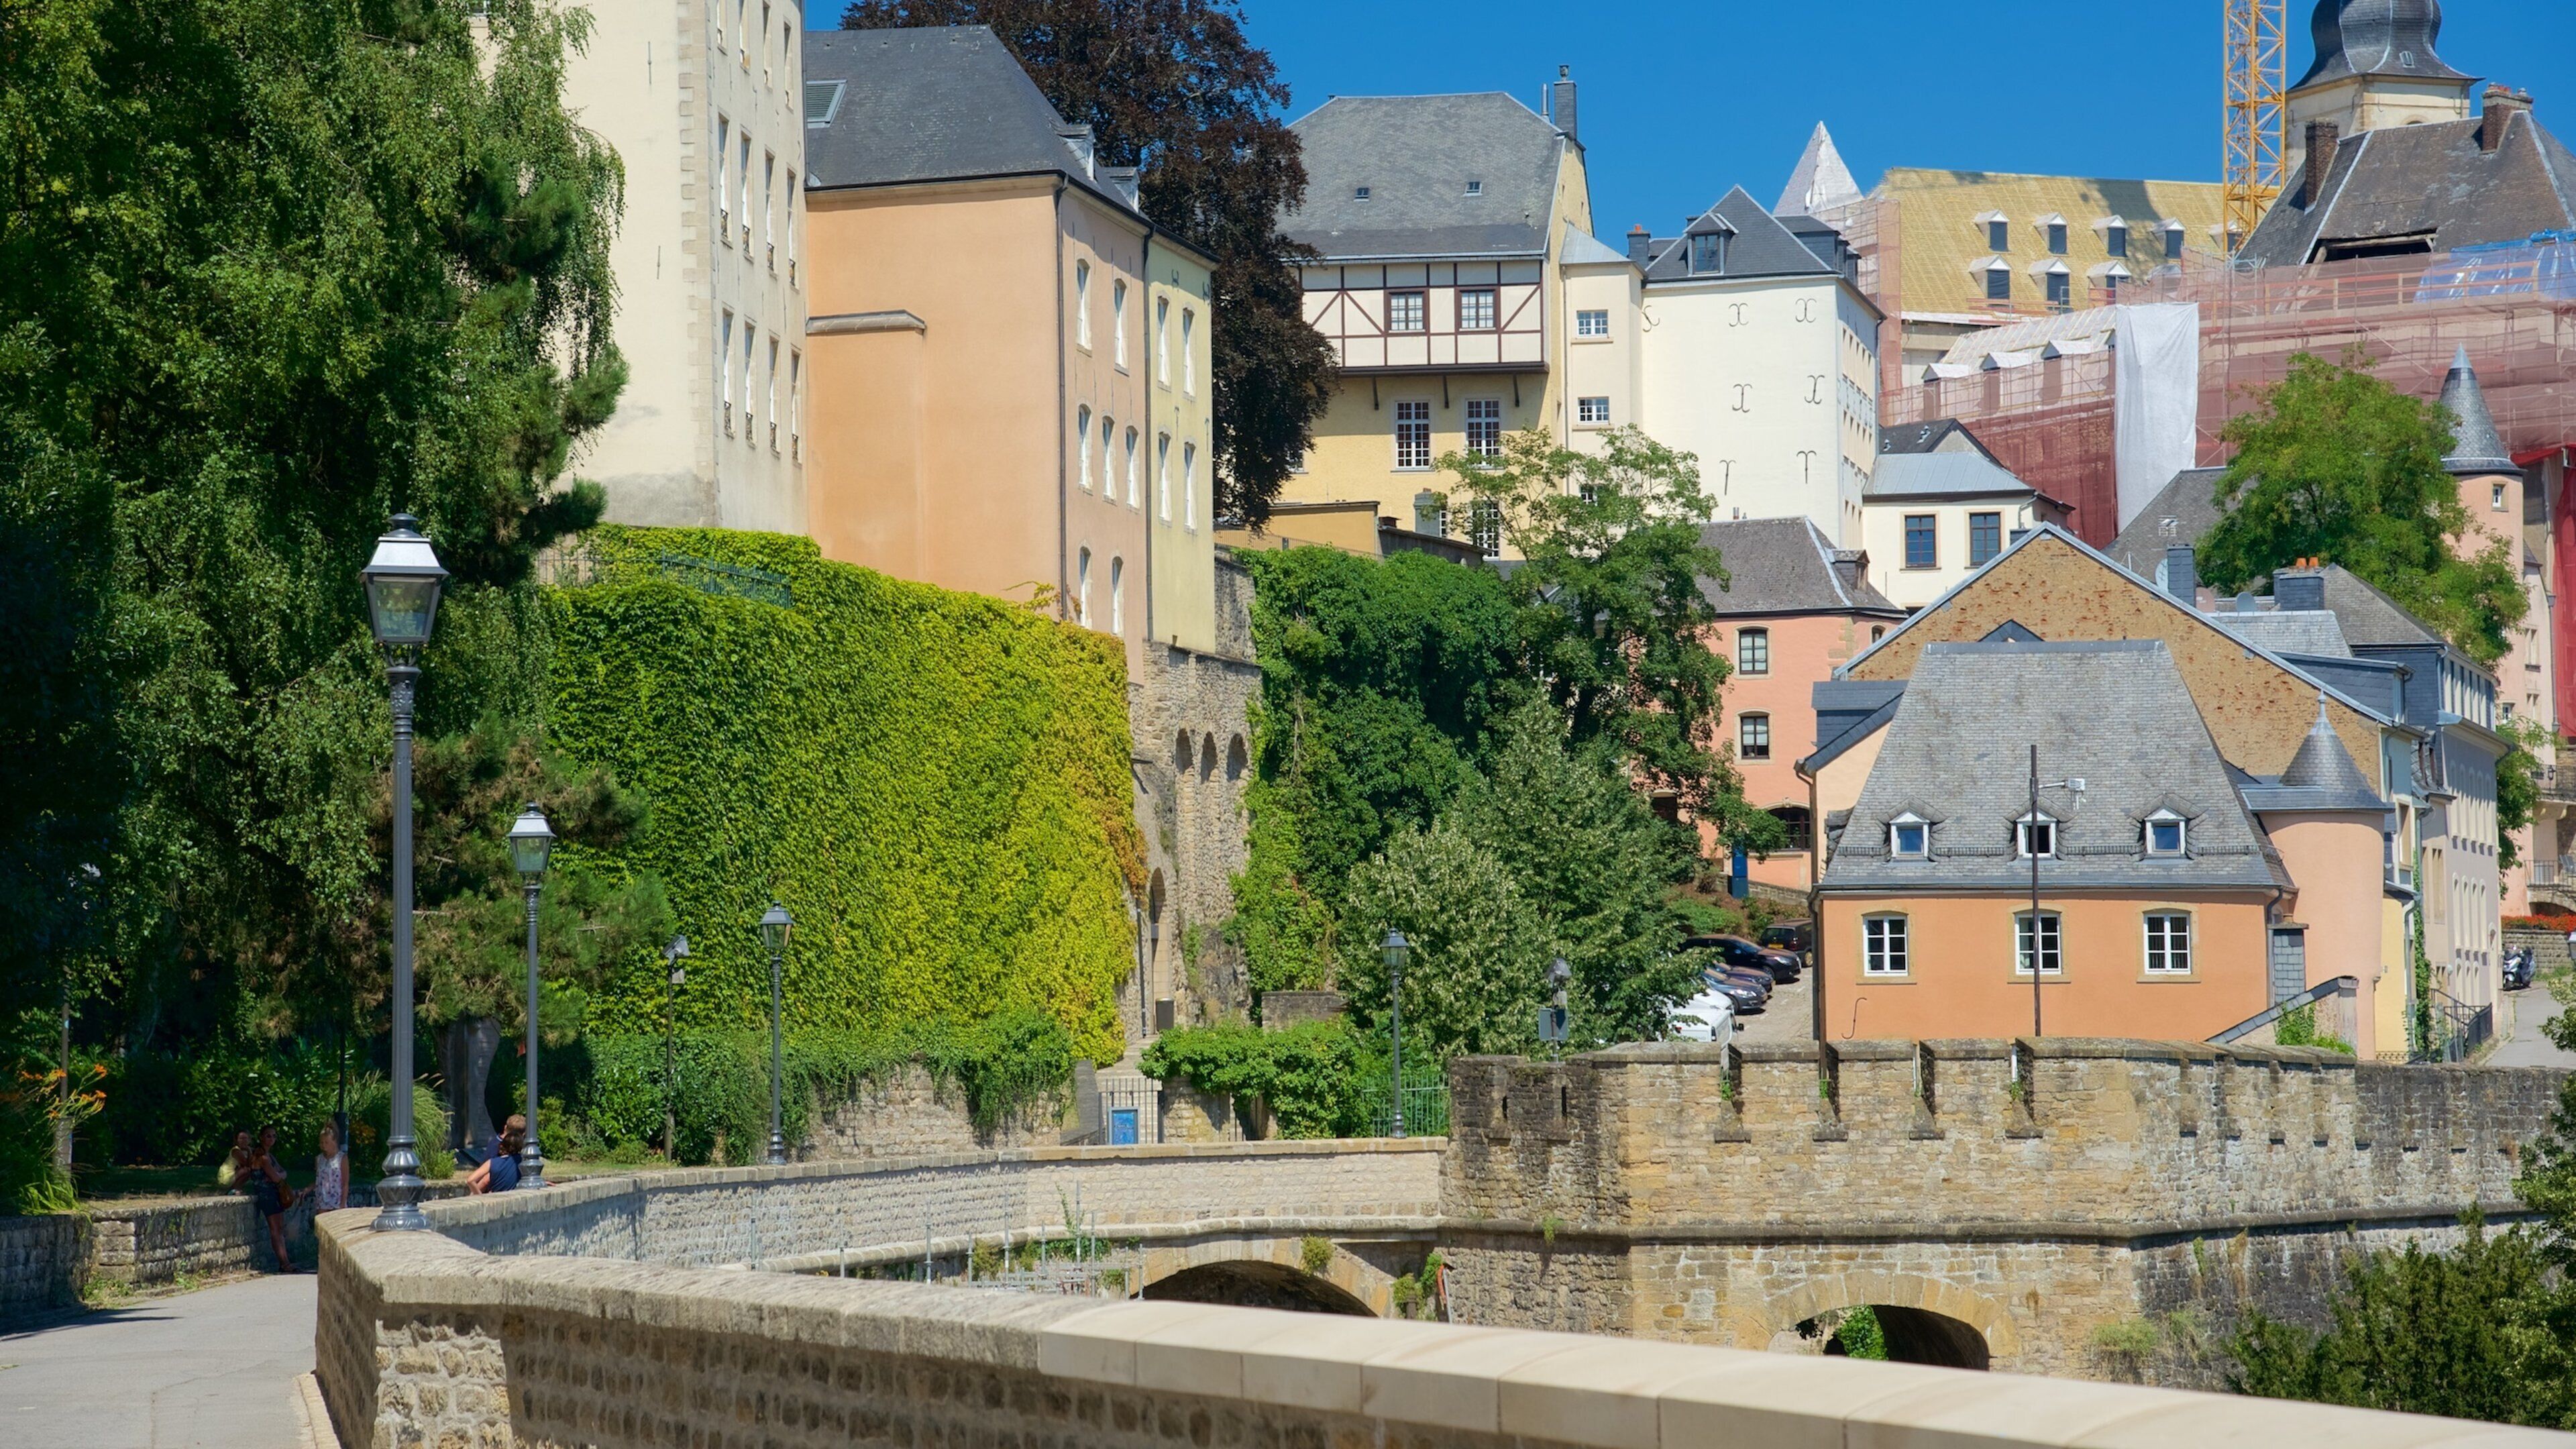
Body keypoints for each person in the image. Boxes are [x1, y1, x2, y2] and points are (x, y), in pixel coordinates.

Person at [250, 1126, 298, 1271]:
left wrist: (281, 1176)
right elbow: (277, 1177)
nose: (271, 1139)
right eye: (268, 1136)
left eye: (274, 1136)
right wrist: (280, 1176)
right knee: (275, 1230)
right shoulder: (262, 1157)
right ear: (261, 1137)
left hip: (274, 1194)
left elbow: (283, 1173)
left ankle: (285, 1262)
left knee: (279, 1228)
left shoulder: (270, 1156)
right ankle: (284, 1263)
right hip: (267, 1196)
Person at [468, 1115, 526, 1195]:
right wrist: (476, 1196)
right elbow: (486, 1179)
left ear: (505, 1127)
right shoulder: (517, 1159)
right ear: (522, 1136)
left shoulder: (494, 1143)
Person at [312, 1124, 349, 1214]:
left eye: (326, 1142)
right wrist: (307, 1189)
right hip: (322, 1201)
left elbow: (345, 1183)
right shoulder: (319, 1159)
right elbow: (318, 1180)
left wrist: (343, 1204)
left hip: (337, 1201)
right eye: (321, 1143)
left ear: (334, 1142)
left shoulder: (342, 1158)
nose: (324, 1146)